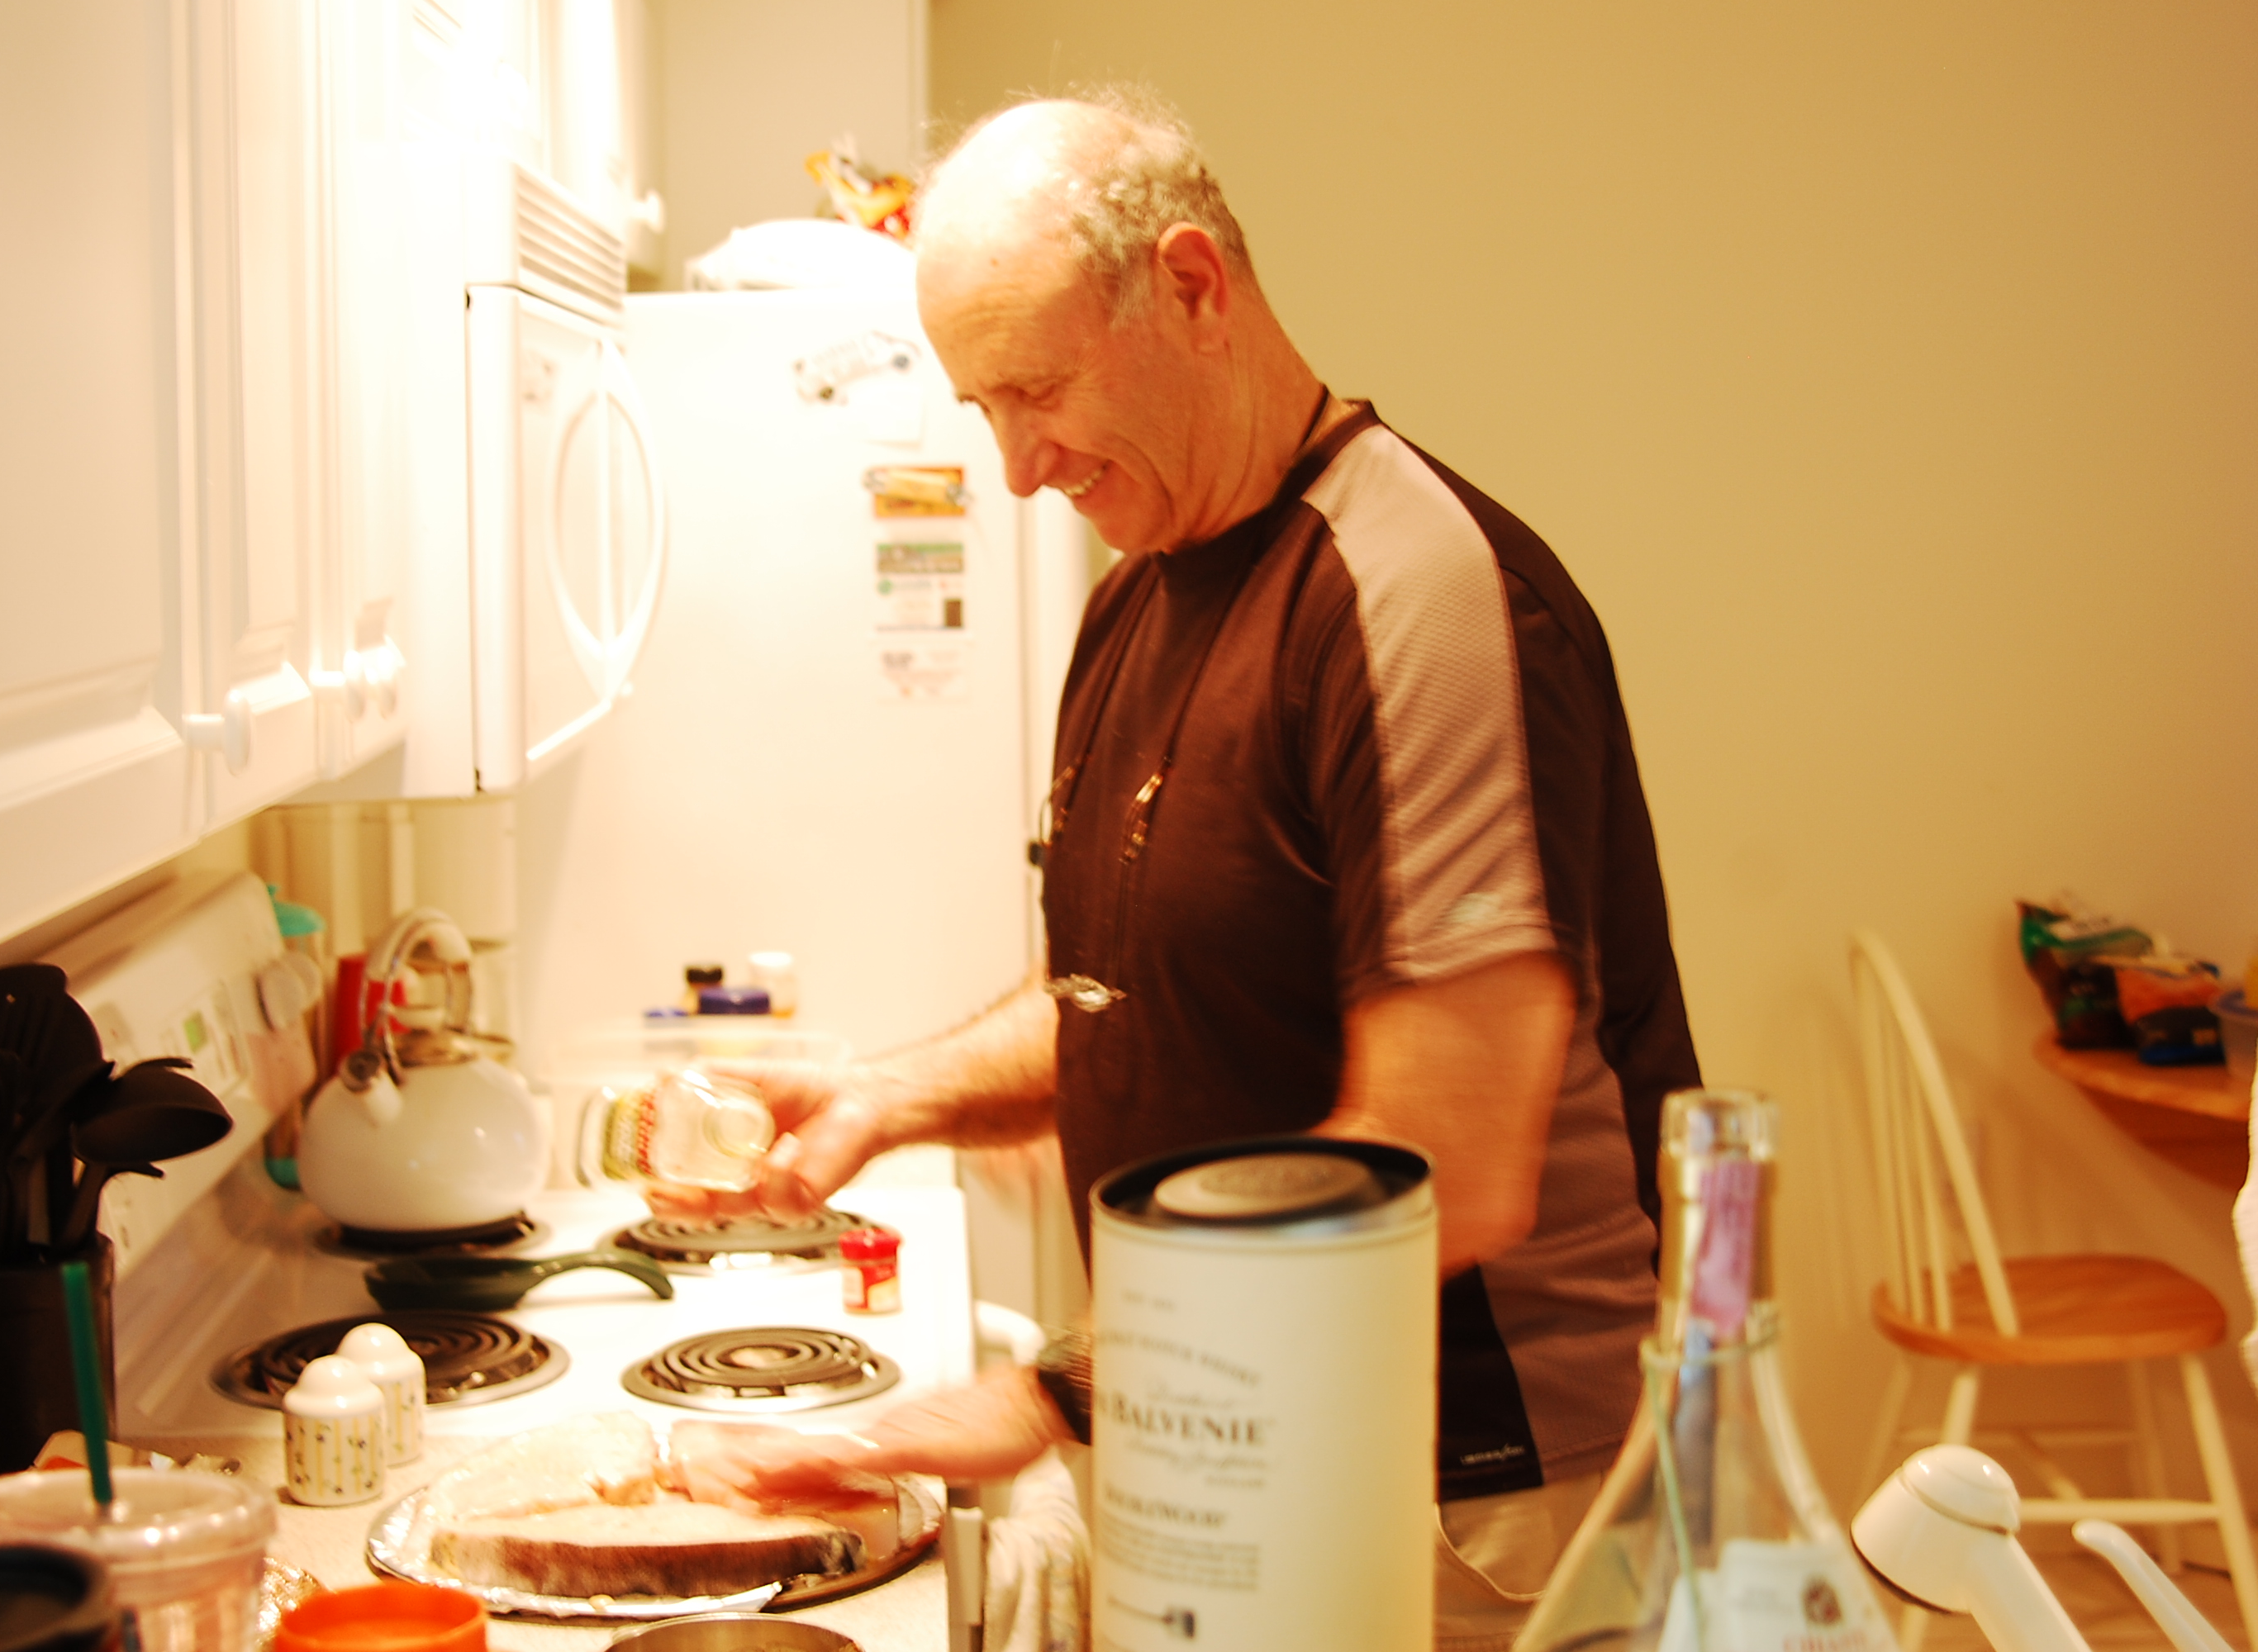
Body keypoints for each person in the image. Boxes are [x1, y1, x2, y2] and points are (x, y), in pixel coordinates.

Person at [654, 90, 1700, 1646]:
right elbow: (1141, 997)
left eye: (1039, 388)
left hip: (1469, 1498)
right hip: (1238, 1442)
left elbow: (1452, 1157)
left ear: (1194, 286)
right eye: (981, 408)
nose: (1017, 468)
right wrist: (892, 1096)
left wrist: (1057, 1391)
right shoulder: (1139, 598)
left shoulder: (1417, 597)